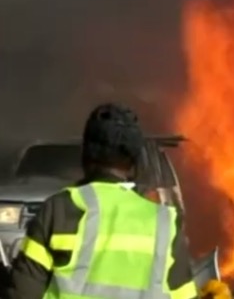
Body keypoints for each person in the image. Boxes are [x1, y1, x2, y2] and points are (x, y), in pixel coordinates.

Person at [4, 103, 198, 299]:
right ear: (134, 162)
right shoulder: (164, 224)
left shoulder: (58, 211)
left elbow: (23, 294)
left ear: (85, 155)